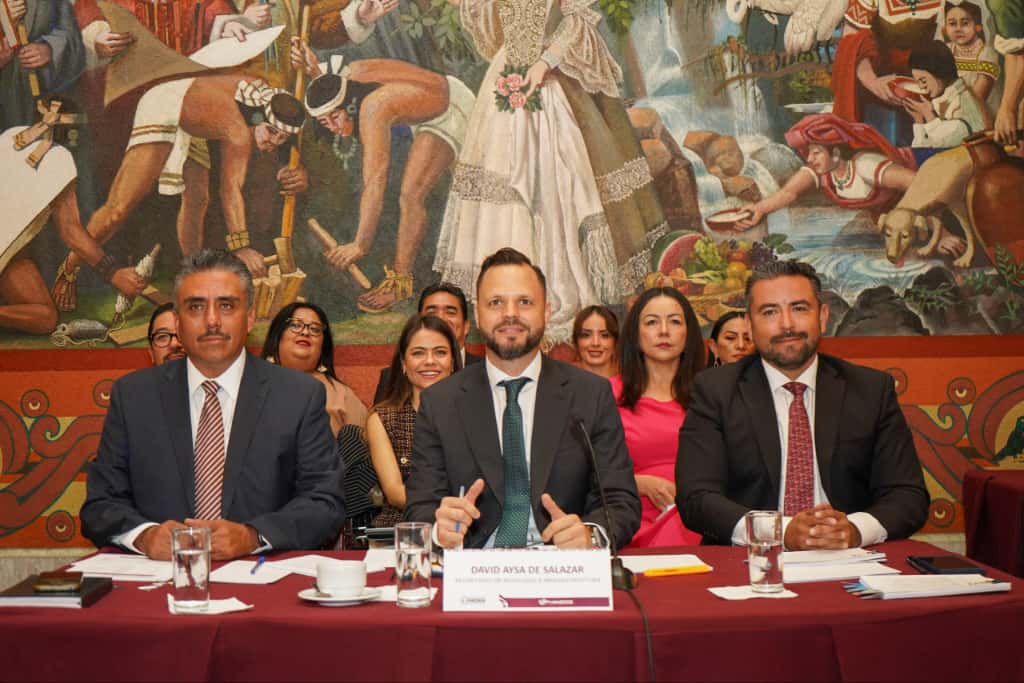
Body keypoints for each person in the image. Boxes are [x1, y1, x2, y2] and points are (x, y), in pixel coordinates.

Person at [80, 249, 345, 560]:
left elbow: (325, 502)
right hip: (160, 580)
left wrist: (253, 536)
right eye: (196, 307)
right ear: (177, 322)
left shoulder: (298, 395)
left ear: (250, 317)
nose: (212, 321)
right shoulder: (134, 396)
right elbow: (100, 505)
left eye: (226, 306)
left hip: (258, 576)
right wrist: (145, 537)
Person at [432, 0, 667, 343]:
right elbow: (491, 30)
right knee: (505, 181)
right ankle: (510, 298)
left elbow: (576, 23)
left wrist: (544, 64)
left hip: (554, 83)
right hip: (506, 81)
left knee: (560, 185)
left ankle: (560, 289)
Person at [676, 260, 930, 549]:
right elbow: (696, 498)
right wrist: (780, 531)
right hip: (753, 560)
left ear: (822, 316)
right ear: (749, 325)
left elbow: (908, 495)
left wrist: (854, 530)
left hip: (851, 560)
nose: (787, 324)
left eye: (799, 308)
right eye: (769, 312)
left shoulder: (871, 390)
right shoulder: (715, 391)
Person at [405, 248, 641, 550]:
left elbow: (619, 500)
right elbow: (421, 505)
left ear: (547, 311)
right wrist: (440, 531)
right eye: (496, 302)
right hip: (474, 565)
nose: (510, 314)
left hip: (562, 564)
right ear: (477, 314)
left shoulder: (589, 394)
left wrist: (590, 535)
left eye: (525, 302)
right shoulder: (441, 402)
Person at [51, 75, 308, 311]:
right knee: (118, 209)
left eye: (282, 138)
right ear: (258, 117)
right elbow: (230, 189)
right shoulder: (238, 131)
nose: (274, 142)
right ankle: (69, 268)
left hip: (196, 119)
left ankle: (193, 277)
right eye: (271, 131)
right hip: (166, 104)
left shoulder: (269, 101)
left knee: (198, 199)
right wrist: (242, 248)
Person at [292, 41, 475, 313]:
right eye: (324, 122)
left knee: (411, 195)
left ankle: (401, 282)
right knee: (412, 193)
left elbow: (375, 182)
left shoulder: (372, 109)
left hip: (452, 108)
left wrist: (360, 244)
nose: (333, 127)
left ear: (350, 106)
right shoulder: (346, 77)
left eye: (335, 117)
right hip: (430, 107)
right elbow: (331, 86)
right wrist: (315, 72)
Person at [611, 288, 704, 548]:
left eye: (674, 321)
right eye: (652, 322)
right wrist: (637, 483)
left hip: (698, 521)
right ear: (635, 333)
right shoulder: (606, 395)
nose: (664, 331)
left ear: (688, 333)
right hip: (627, 521)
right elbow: (584, 471)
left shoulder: (710, 395)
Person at [737, 114, 917, 228]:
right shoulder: (822, 170)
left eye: (816, 153)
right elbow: (788, 193)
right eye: (809, 153)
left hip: (923, 170)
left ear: (836, 154)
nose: (809, 159)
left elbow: (918, 184)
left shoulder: (866, 165)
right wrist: (759, 209)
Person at [369, 314, 459, 527]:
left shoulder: (472, 414)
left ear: (453, 362)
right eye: (418, 353)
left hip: (467, 526)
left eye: (440, 352)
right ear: (403, 363)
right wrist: (444, 512)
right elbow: (394, 493)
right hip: (402, 529)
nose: (430, 361)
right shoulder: (383, 419)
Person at [261, 302, 368, 436]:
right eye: (296, 325)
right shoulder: (253, 382)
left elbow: (361, 445)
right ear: (277, 336)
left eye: (315, 329)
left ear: (323, 345)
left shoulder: (342, 395)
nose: (305, 332)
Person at [372, 282, 482, 403]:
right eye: (431, 313)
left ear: (466, 326)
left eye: (450, 312)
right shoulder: (391, 377)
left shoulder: (485, 373)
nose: (440, 318)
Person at [904, 40, 991, 164]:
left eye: (923, 81)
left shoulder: (962, 101)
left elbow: (942, 144)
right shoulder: (939, 100)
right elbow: (919, 150)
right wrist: (919, 120)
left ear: (939, 72)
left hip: (972, 164)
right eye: (917, 82)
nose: (922, 87)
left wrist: (929, 117)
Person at [943, 1, 1000, 108]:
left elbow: (978, 96)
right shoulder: (946, 50)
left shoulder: (986, 53)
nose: (958, 29)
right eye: (952, 24)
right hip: (951, 109)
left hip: (979, 112)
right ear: (945, 28)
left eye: (965, 23)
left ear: (978, 27)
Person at [572, 305, 619, 379]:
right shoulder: (560, 379)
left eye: (605, 335)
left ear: (615, 342)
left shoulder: (632, 381)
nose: (595, 343)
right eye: (586, 335)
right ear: (576, 342)